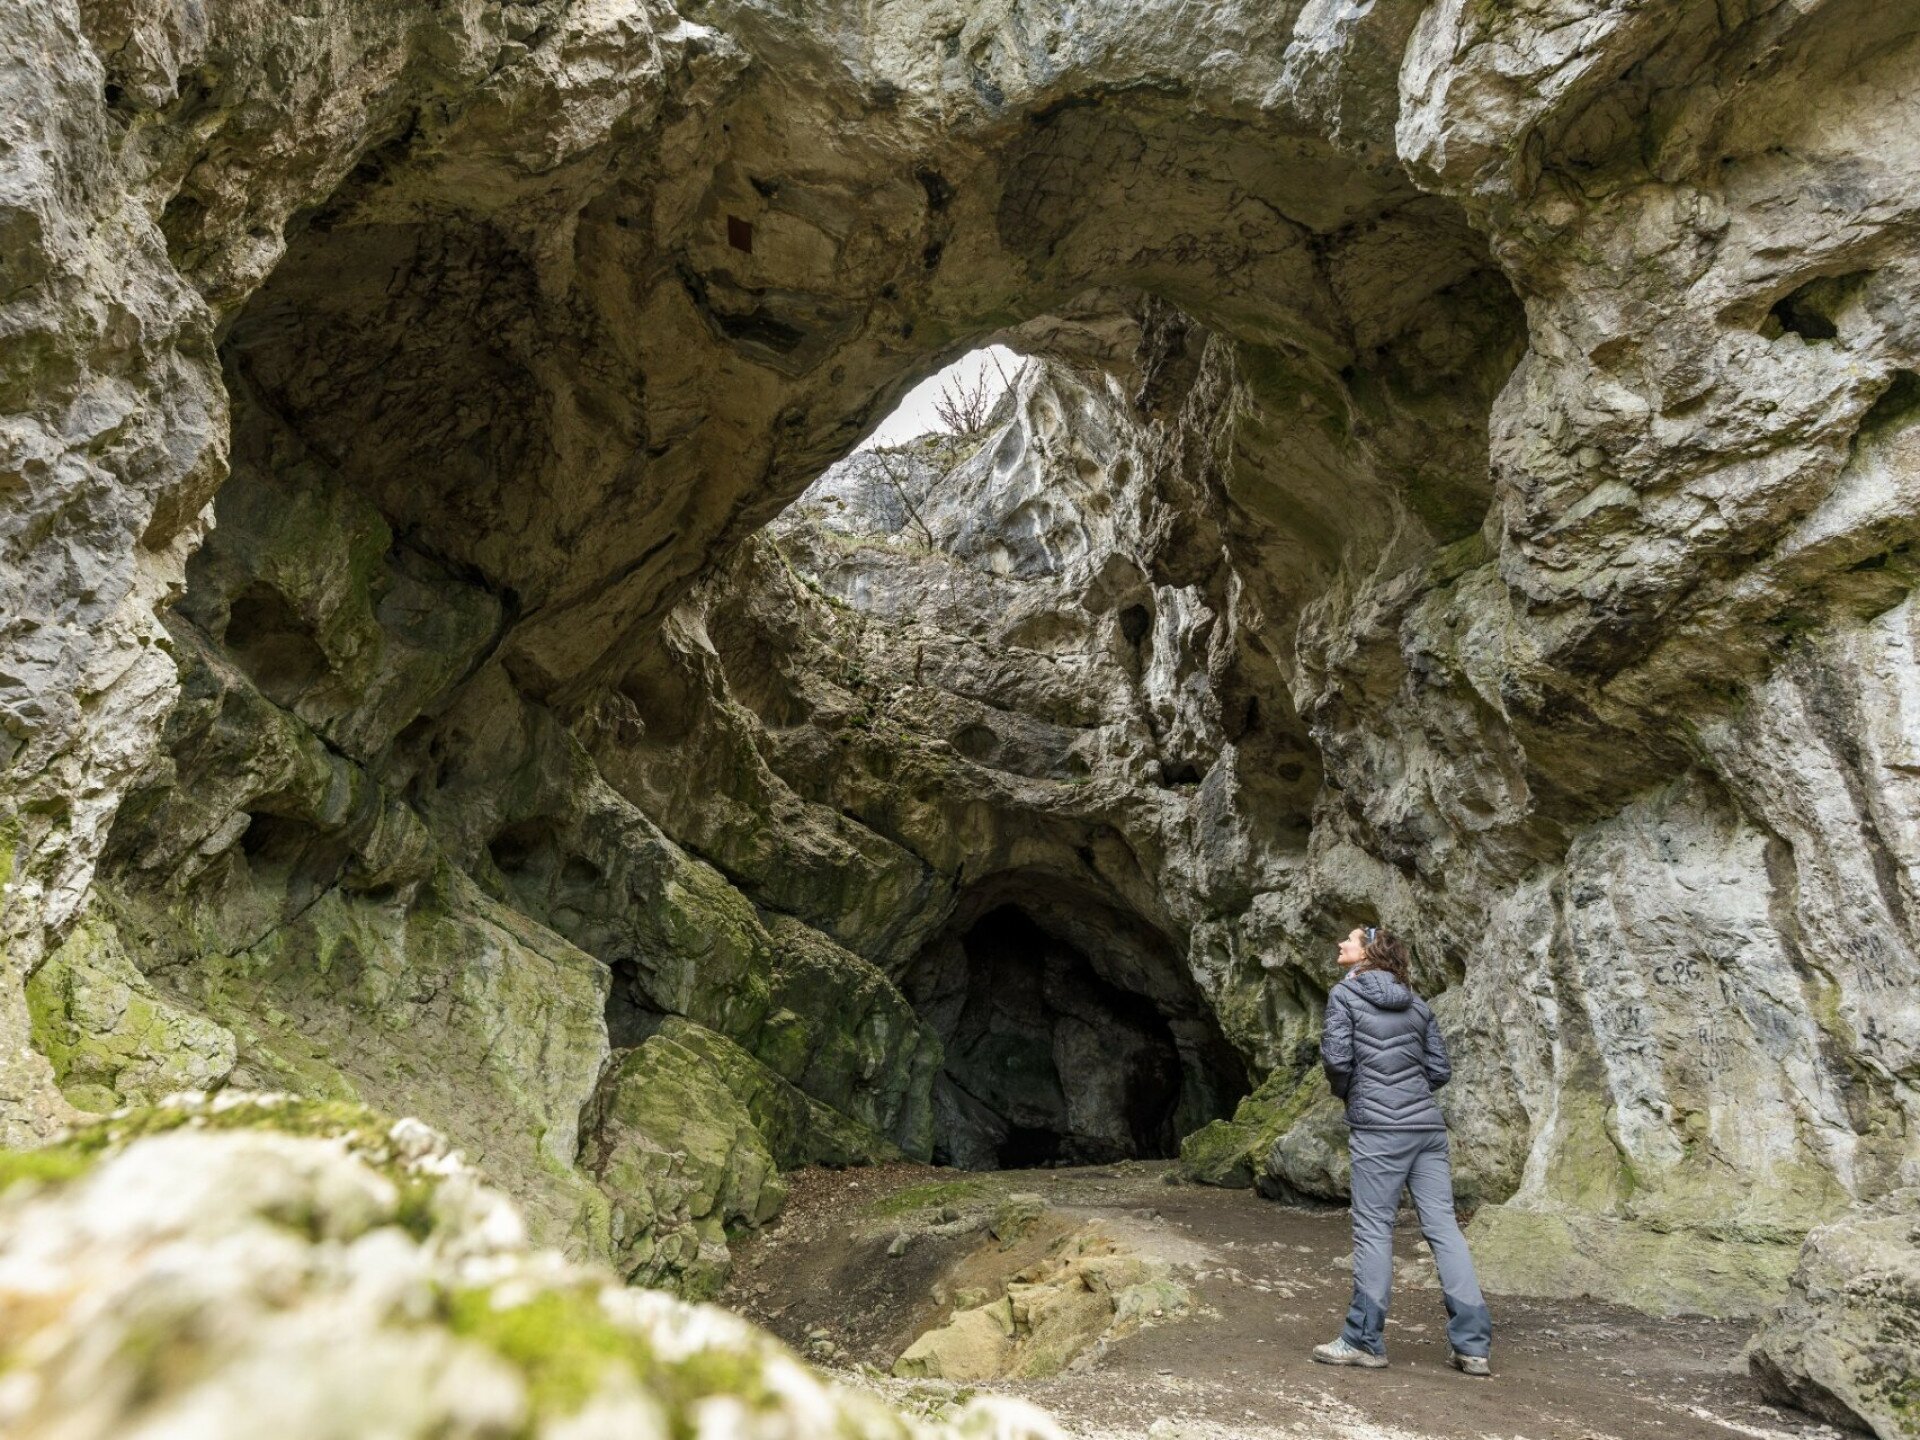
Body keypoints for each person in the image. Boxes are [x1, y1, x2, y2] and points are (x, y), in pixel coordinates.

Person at [1310, 924, 1493, 1377]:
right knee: (1444, 1230)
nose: (1340, 945)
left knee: (1374, 1229)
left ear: (1367, 953)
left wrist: (1358, 1095)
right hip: (1426, 1127)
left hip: (1378, 1130)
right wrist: (1408, 1098)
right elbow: (1438, 1069)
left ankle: (1363, 1341)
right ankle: (1473, 1348)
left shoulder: (1345, 997)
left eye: (1349, 940)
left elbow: (1336, 1060)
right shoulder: (1417, 1004)